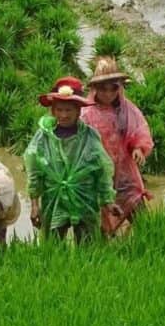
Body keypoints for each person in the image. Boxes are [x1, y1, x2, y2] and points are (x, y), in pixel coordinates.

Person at [24, 77, 117, 242]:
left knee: (88, 247)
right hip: (54, 199)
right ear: (53, 111)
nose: (64, 115)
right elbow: (34, 171)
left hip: (84, 199)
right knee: (52, 248)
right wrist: (34, 205)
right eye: (59, 110)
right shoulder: (43, 136)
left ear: (78, 111)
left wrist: (108, 201)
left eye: (68, 110)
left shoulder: (89, 136)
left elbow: (102, 170)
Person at [81, 57, 153, 235]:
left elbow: (139, 131)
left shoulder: (127, 110)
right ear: (94, 89)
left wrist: (138, 148)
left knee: (142, 218)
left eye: (113, 88)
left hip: (126, 174)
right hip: (98, 175)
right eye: (102, 89)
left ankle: (144, 249)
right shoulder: (86, 113)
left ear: (119, 88)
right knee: (102, 220)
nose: (108, 94)